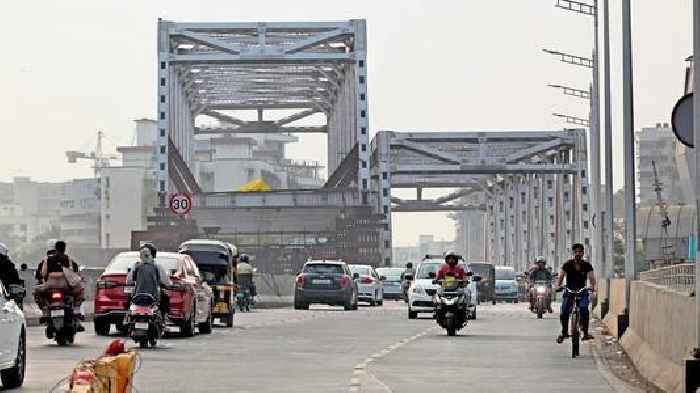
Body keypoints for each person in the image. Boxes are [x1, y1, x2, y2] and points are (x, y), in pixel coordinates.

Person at [555, 243, 596, 343]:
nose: (577, 254)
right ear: (573, 253)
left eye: (580, 252)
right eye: (575, 252)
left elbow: (592, 279)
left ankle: (585, 332)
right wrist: (558, 286)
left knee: (584, 310)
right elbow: (560, 277)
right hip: (569, 291)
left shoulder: (587, 265)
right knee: (564, 311)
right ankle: (564, 332)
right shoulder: (567, 264)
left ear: (582, 253)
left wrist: (592, 287)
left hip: (582, 291)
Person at [126, 244, 172, 318]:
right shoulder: (158, 266)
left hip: (137, 297)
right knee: (165, 297)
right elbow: (166, 282)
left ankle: (127, 317)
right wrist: (169, 284)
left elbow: (129, 281)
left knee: (128, 298)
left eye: (145, 255)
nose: (143, 257)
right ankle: (164, 318)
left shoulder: (136, 266)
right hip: (154, 297)